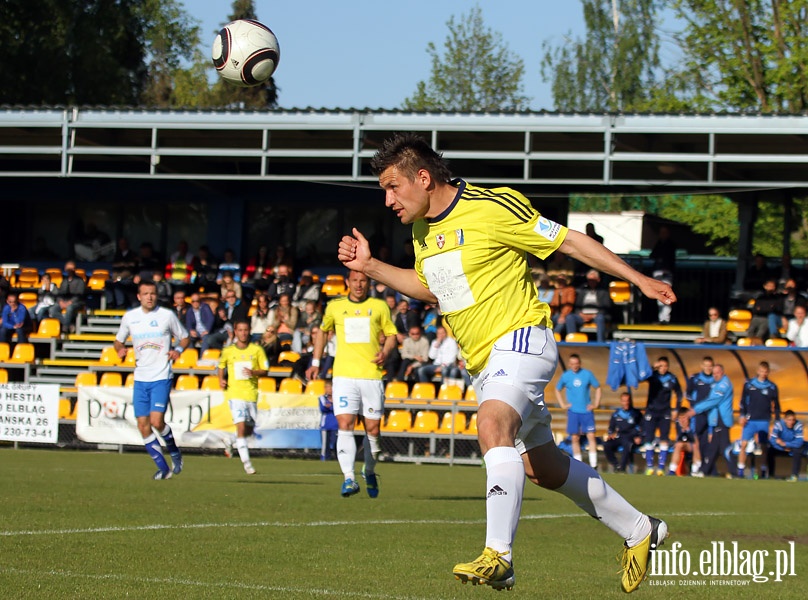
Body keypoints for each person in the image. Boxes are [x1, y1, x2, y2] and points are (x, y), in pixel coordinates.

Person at [337, 133, 675, 592]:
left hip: (522, 338)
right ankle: (642, 530)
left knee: (492, 424)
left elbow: (569, 241)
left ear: (423, 177)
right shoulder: (421, 231)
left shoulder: (492, 206)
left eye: (392, 187)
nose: (387, 200)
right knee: (543, 469)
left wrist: (638, 279)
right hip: (484, 361)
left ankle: (499, 555)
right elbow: (433, 289)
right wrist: (372, 267)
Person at [305, 270, 398, 499]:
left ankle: (369, 470)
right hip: (344, 376)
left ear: (368, 283)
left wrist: (385, 351)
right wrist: (316, 361)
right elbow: (323, 332)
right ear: (347, 282)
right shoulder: (335, 307)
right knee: (345, 423)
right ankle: (349, 477)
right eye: (354, 280)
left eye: (363, 281)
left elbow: (392, 335)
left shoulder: (379, 307)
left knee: (373, 430)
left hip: (371, 376)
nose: (358, 284)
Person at [113, 279, 189, 480]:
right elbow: (118, 340)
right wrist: (120, 349)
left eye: (153, 293)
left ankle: (174, 452)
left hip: (161, 375)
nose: (149, 297)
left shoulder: (167, 316)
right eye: (145, 293)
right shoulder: (130, 317)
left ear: (157, 295)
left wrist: (178, 350)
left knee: (156, 421)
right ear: (139, 296)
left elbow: (185, 336)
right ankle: (163, 469)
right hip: (141, 377)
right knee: (142, 425)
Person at [217, 320, 269, 475]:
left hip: (251, 394)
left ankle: (230, 441)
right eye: (240, 330)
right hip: (235, 394)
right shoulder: (228, 351)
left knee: (249, 429)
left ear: (249, 331)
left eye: (246, 330)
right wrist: (221, 379)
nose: (243, 333)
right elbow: (221, 367)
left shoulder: (257, 350)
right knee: (240, 426)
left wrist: (254, 372)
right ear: (236, 331)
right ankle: (247, 464)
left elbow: (265, 370)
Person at [684, 363, 733, 477]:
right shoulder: (717, 383)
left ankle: (735, 472)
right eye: (714, 373)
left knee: (725, 447)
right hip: (717, 420)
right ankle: (704, 471)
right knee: (713, 448)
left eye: (717, 373)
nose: (715, 375)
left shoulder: (724, 384)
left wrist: (695, 410)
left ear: (722, 372)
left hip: (722, 419)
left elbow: (713, 401)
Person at [555, 354, 601, 469]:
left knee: (591, 436)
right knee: (575, 437)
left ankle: (594, 464)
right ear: (570, 364)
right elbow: (557, 389)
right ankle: (578, 465)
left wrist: (595, 403)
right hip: (573, 411)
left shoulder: (587, 374)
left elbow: (598, 387)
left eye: (577, 363)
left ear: (580, 363)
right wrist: (562, 404)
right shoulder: (566, 376)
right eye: (572, 364)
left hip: (586, 411)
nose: (575, 366)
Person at [737, 361, 780, 479]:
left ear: (768, 372)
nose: (763, 373)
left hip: (764, 420)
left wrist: (776, 421)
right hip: (750, 420)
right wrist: (742, 415)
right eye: (761, 371)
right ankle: (740, 470)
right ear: (757, 371)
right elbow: (742, 402)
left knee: (763, 446)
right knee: (744, 444)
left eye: (765, 371)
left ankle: (762, 470)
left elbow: (776, 405)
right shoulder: (749, 384)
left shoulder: (772, 387)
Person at [641, 356, 683, 476]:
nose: (663, 368)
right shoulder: (652, 375)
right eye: (661, 366)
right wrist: (652, 367)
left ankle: (660, 467)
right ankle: (649, 466)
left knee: (664, 439)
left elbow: (679, 394)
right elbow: (641, 376)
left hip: (665, 412)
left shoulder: (672, 378)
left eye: (665, 366)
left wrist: (676, 409)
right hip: (651, 411)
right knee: (649, 438)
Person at [684, 356, 714, 477]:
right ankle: (695, 467)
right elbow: (688, 393)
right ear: (702, 366)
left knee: (708, 440)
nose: (708, 368)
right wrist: (695, 406)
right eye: (706, 365)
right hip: (698, 415)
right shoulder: (695, 378)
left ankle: (705, 467)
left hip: (711, 414)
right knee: (696, 439)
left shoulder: (716, 380)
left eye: (710, 366)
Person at [602, 392, 643, 473]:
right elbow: (611, 427)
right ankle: (616, 465)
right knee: (606, 445)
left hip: (631, 436)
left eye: (627, 401)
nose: (626, 403)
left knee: (627, 445)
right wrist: (610, 434)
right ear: (621, 402)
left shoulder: (636, 413)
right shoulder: (617, 414)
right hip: (620, 435)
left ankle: (622, 468)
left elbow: (642, 427)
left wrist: (639, 436)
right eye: (624, 401)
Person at [567, 269, 611, 342]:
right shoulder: (582, 290)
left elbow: (606, 306)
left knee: (600, 318)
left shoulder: (603, 291)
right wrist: (580, 314)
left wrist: (593, 315)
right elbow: (577, 305)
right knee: (570, 317)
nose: (591, 282)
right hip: (582, 315)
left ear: (598, 280)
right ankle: (572, 341)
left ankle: (600, 343)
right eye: (589, 280)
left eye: (593, 280)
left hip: (597, 315)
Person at [49, 260, 86, 333]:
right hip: (64, 301)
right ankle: (69, 325)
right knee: (52, 309)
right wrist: (60, 301)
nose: (69, 271)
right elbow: (59, 293)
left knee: (69, 308)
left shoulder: (80, 281)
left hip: (76, 302)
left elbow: (79, 294)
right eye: (68, 269)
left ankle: (65, 327)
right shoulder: (64, 280)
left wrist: (70, 302)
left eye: (71, 269)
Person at [767, 410, 805, 482]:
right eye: (789, 420)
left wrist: (785, 444)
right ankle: (770, 474)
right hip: (781, 448)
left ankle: (794, 475)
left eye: (793, 420)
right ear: (785, 420)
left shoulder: (798, 425)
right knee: (770, 450)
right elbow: (772, 440)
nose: (791, 422)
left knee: (798, 451)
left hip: (792, 447)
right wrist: (783, 447)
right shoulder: (779, 425)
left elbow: (799, 442)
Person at [650, 225, 676, 324]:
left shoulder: (671, 244)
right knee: (659, 295)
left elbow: (671, 259)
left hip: (667, 272)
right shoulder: (658, 244)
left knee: (667, 294)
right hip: (658, 271)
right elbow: (652, 255)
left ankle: (666, 318)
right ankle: (661, 318)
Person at [318, 378, 338, 460]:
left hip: (336, 425)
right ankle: (324, 458)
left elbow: (337, 408)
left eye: (330, 387)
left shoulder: (337, 398)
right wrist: (332, 406)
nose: (328, 389)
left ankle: (339, 459)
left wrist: (331, 406)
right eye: (326, 387)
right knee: (325, 445)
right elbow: (323, 408)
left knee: (336, 444)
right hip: (325, 425)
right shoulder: (322, 397)